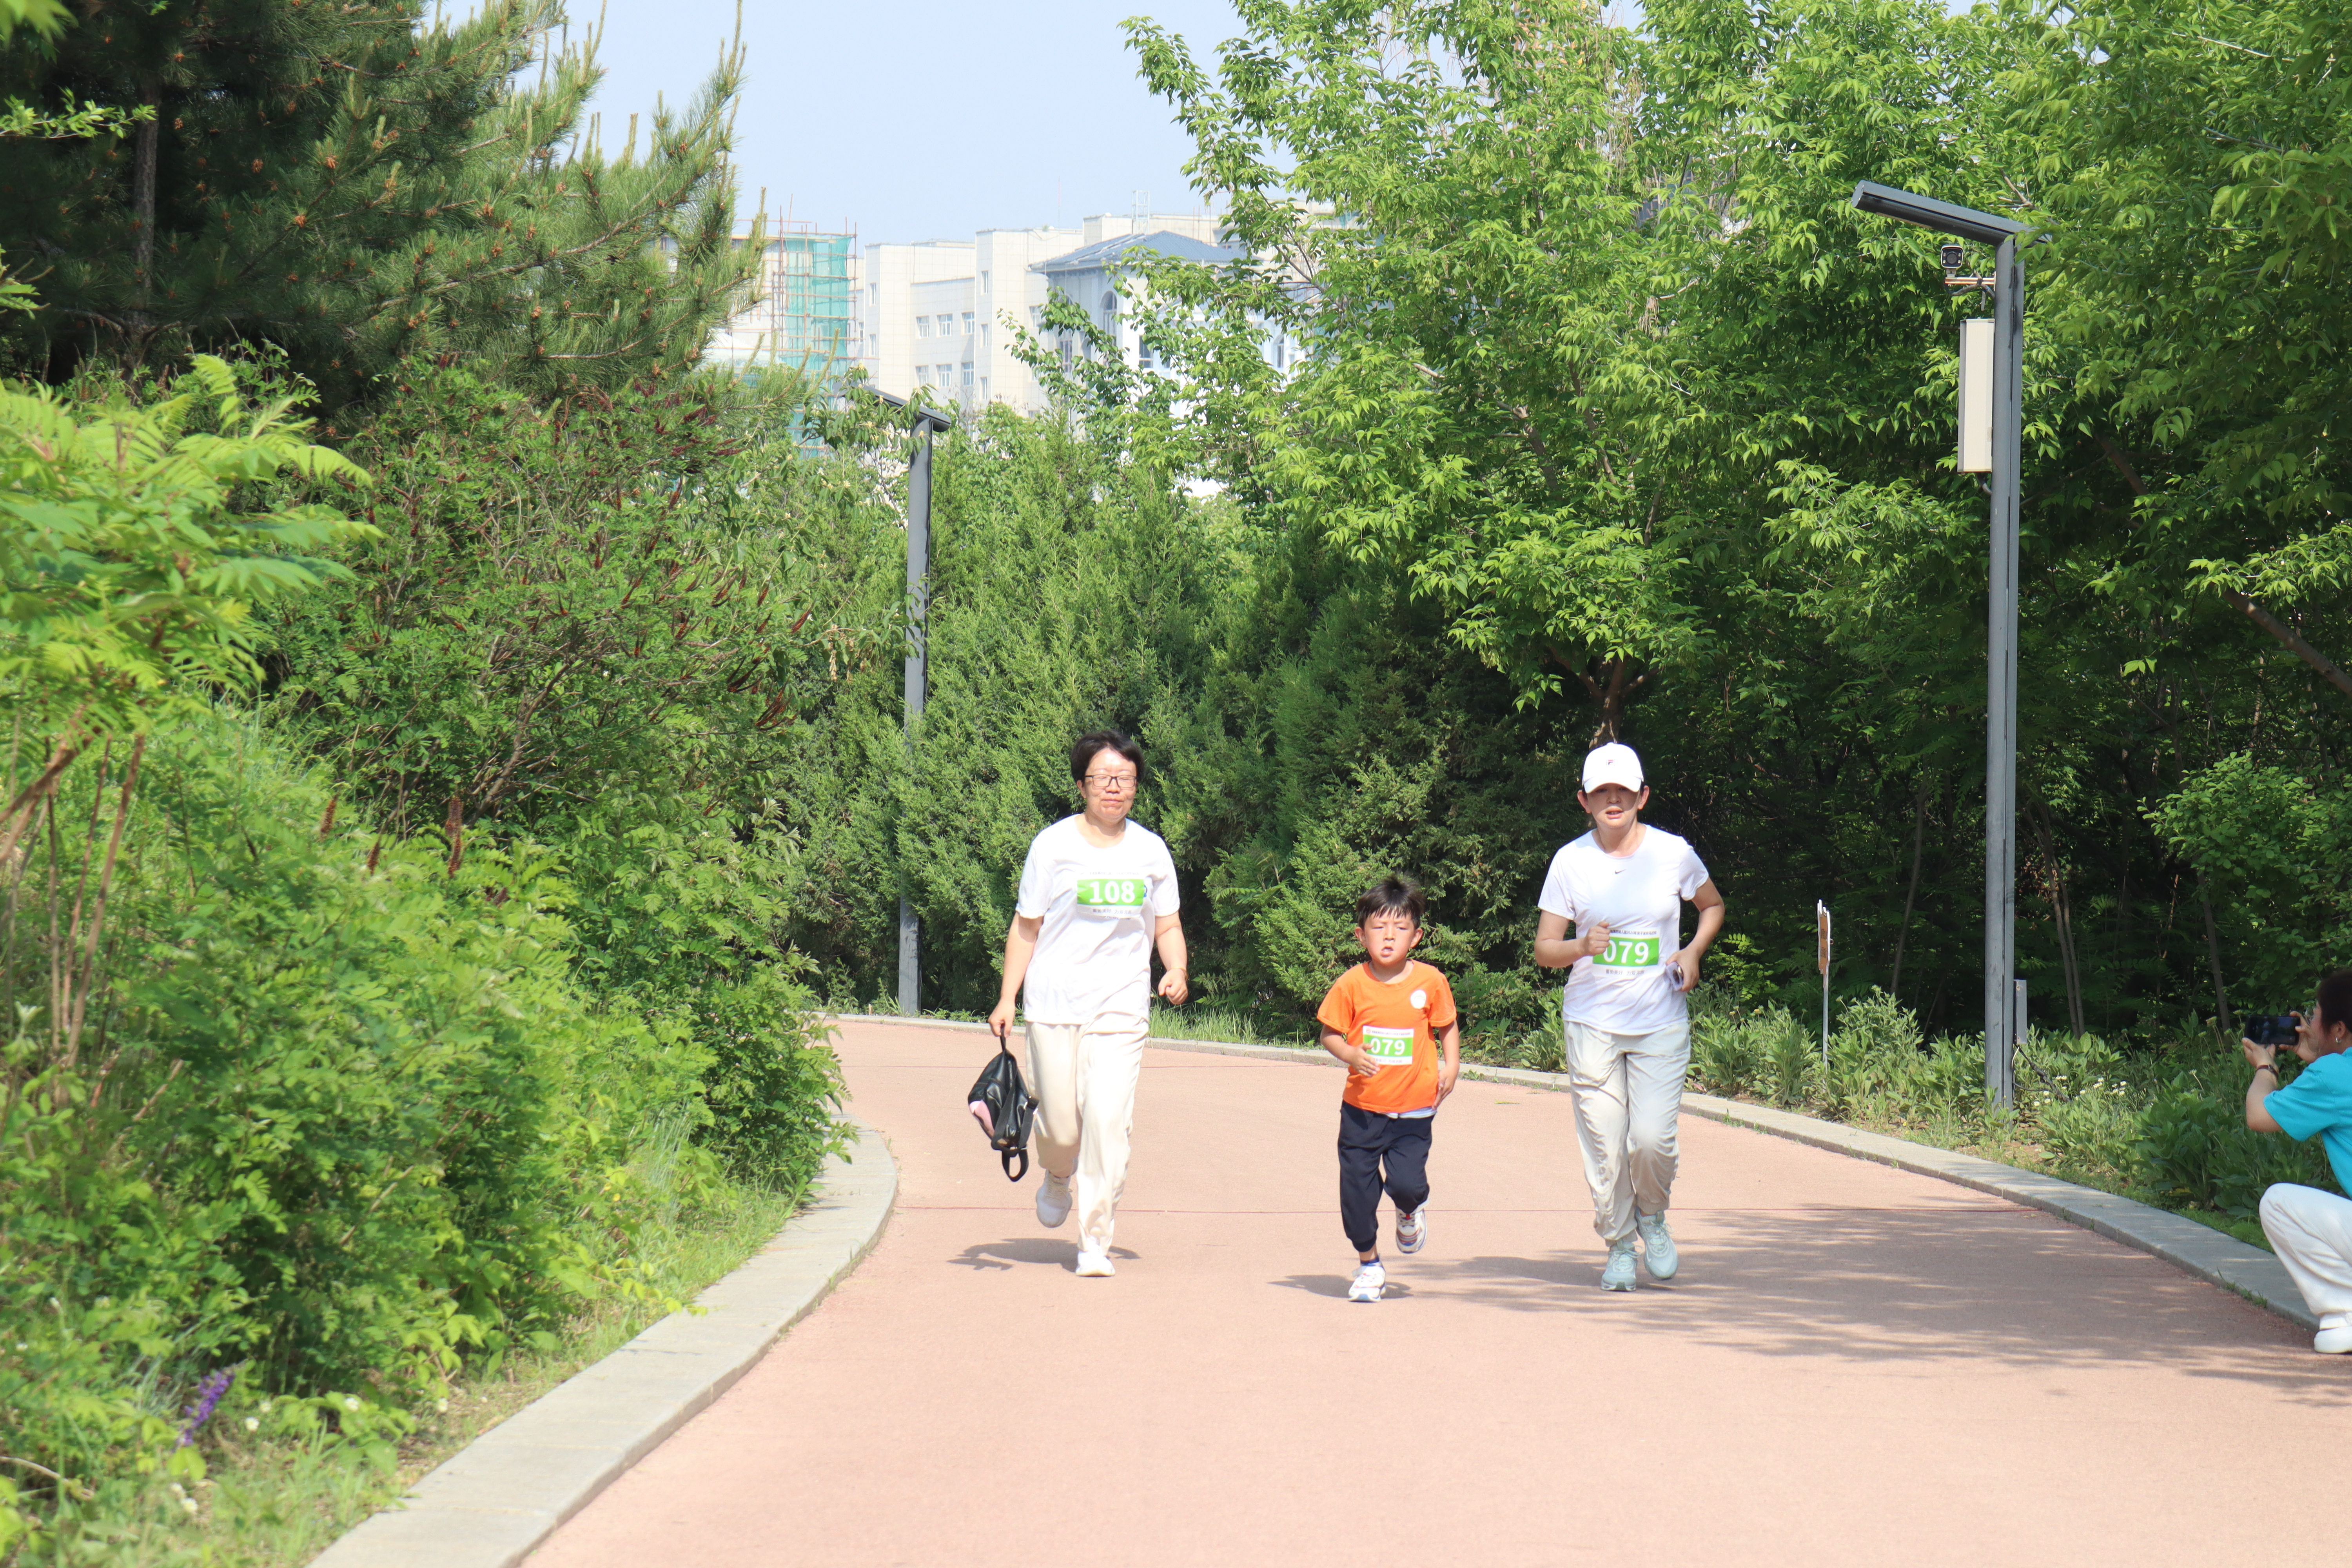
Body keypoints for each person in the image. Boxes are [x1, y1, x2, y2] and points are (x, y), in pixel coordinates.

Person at [988, 730, 1187, 1278]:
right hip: (1054, 1003)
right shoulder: (1053, 846)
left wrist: (1176, 968)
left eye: (1125, 779)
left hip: (1121, 1007)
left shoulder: (1151, 851)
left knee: (1107, 1121)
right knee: (1059, 1127)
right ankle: (1057, 1173)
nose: (1114, 788)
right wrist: (1008, 997)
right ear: (1082, 785)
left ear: (1136, 787)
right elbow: (1026, 927)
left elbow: (1167, 923)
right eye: (1103, 778)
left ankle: (1095, 1240)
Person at [1534, 742, 1725, 1291]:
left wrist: (1692, 952)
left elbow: (1712, 905)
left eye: (1623, 791)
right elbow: (1546, 948)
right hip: (1592, 1023)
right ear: (1585, 801)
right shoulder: (1571, 862)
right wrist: (1581, 947)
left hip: (1659, 1023)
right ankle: (1619, 1246)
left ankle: (1653, 1218)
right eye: (1601, 793)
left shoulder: (1673, 854)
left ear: (1642, 796)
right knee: (1604, 1143)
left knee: (1649, 1142)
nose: (1612, 800)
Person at [1316, 877, 1462, 1303]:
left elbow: (1447, 1024)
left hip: (1415, 1111)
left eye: (1400, 928)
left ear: (1416, 936)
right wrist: (1351, 1053)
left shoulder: (1432, 981)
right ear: (1361, 934)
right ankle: (1369, 1265)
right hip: (1361, 1111)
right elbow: (1330, 1034)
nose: (1389, 937)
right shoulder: (1351, 984)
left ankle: (1410, 1210)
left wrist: (1452, 1066)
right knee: (1356, 1194)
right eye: (1379, 928)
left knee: (1407, 1184)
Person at [2242, 970, 2352, 1354]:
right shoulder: (2333, 1069)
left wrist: (2264, 1068)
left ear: (2339, 1027)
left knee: (2278, 1203)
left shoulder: (2334, 1073)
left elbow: (2260, 1116)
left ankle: (2344, 1315)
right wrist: (2320, 1058)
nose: (2309, 1021)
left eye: (2316, 1013)